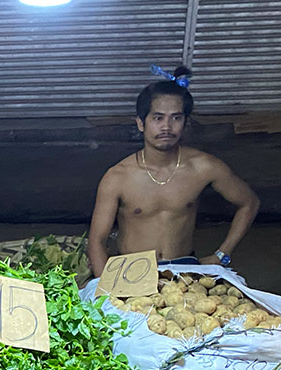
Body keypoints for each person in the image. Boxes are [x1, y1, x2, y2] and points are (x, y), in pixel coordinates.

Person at [87, 66, 260, 276]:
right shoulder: (118, 177)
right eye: (158, 118)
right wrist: (105, 287)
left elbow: (249, 203)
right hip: (132, 271)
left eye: (176, 118)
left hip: (185, 270)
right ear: (141, 123)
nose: (167, 127)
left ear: (185, 123)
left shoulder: (203, 167)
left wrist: (222, 255)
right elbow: (97, 241)